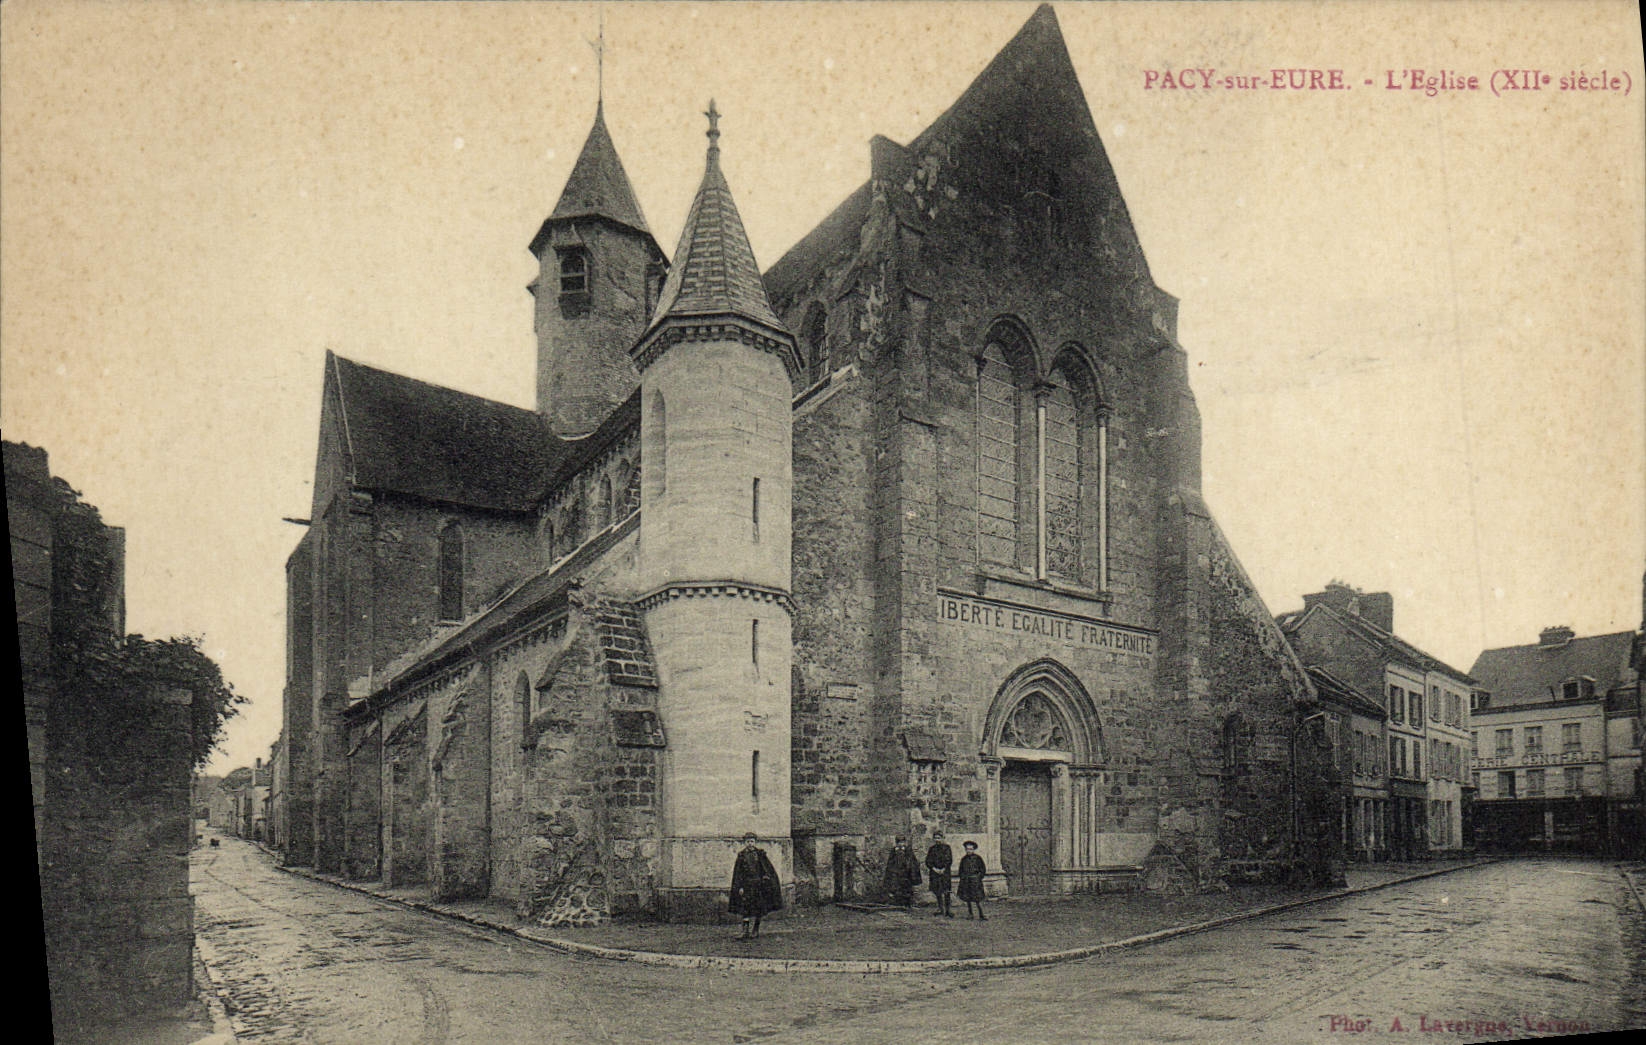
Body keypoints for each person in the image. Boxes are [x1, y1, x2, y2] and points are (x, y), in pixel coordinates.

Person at [729, 832, 782, 939]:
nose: (750, 843)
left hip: (758, 886)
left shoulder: (760, 854)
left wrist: (766, 879)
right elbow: (738, 873)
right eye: (748, 841)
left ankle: (756, 929)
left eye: (752, 841)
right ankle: (745, 931)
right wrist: (740, 887)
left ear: (755, 842)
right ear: (744, 842)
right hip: (747, 885)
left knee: (759, 907)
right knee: (745, 908)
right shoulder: (741, 856)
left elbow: (766, 869)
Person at [882, 836, 922, 907]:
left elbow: (913, 861)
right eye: (899, 842)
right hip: (897, 872)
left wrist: (911, 869)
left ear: (904, 842)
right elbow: (890, 862)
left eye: (902, 842)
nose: (900, 844)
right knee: (897, 887)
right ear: (896, 843)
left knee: (907, 888)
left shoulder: (908, 850)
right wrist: (892, 870)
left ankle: (907, 903)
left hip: (906, 873)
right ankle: (898, 903)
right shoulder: (894, 851)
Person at [924, 831, 954, 917]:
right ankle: (940, 909)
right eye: (936, 838)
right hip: (935, 873)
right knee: (937, 891)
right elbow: (928, 861)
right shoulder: (932, 849)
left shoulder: (947, 848)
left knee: (946, 891)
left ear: (942, 838)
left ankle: (948, 910)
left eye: (939, 838)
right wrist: (934, 869)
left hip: (945, 873)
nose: (937, 840)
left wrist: (943, 868)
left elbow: (949, 860)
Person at [957, 840, 987, 920]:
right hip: (966, 881)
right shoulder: (964, 859)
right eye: (967, 849)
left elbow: (983, 869)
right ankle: (970, 914)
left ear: (973, 850)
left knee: (978, 898)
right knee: (968, 898)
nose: (969, 851)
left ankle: (981, 914)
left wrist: (978, 877)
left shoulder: (978, 858)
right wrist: (963, 878)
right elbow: (960, 870)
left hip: (975, 881)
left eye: (970, 849)